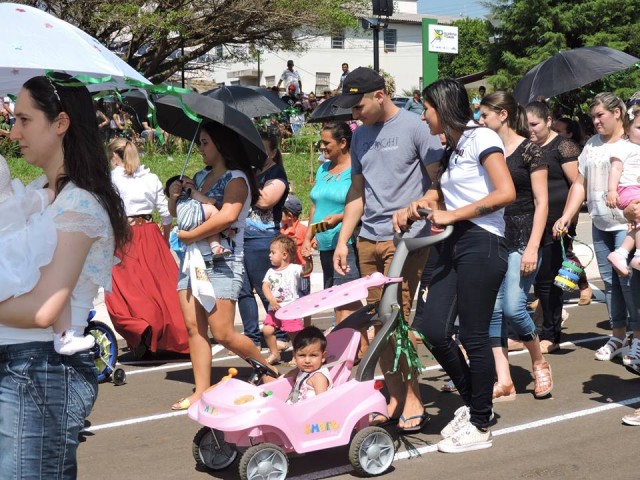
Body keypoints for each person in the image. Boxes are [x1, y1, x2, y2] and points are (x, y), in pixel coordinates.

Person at [0, 72, 130, 477]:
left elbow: (44, 309)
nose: (14, 132)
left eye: (24, 120)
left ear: (60, 123)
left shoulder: (80, 203)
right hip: (23, 365)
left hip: (38, 369)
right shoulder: (41, 192)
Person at [394, 78, 515, 453]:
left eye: (426, 109)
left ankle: (480, 425)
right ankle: (477, 405)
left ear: (443, 108)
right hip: (452, 241)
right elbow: (438, 193)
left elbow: (506, 192)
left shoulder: (482, 138)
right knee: (431, 328)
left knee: (474, 336)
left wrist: (453, 215)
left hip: (482, 240)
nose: (423, 116)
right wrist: (416, 206)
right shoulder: (452, 148)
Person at [332, 67, 444, 433]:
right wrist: (344, 239)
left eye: (359, 106)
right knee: (377, 324)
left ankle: (413, 400)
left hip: (405, 240)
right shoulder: (360, 135)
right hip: (368, 238)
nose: (355, 114)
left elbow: (438, 183)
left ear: (380, 96)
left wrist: (418, 207)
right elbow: (357, 192)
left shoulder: (416, 127)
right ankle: (395, 398)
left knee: (396, 320)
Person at [168, 121, 278, 411]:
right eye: (200, 143)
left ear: (220, 144)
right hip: (192, 259)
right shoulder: (199, 176)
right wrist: (175, 195)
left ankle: (268, 371)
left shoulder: (237, 179)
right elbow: (180, 213)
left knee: (223, 333)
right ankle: (201, 391)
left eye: (205, 142)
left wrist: (190, 235)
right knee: (194, 328)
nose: (201, 148)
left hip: (222, 261)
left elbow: (228, 216)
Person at [478, 92, 552, 402]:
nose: (480, 120)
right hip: (495, 236)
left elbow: (542, 202)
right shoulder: (488, 150)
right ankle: (505, 379)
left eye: (485, 115)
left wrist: (533, 246)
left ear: (503, 115)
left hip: (524, 237)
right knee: (493, 311)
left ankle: (538, 360)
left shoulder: (531, 151)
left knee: (513, 307)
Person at [554, 92, 638, 363]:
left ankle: (636, 338)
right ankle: (618, 335)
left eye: (600, 115)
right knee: (611, 284)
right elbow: (580, 183)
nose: (596, 121)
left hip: (627, 225)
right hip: (600, 222)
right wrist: (567, 215)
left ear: (617, 113)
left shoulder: (632, 142)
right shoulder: (591, 144)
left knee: (629, 284)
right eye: (593, 117)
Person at [0, 154, 95, 355]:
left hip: (7, 266)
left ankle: (64, 336)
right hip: (16, 258)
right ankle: (64, 336)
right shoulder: (16, 204)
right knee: (57, 284)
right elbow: (41, 198)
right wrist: (53, 193)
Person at [106, 138, 189, 358]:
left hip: (124, 235)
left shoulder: (111, 179)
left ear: (114, 156)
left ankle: (141, 327)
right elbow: (166, 214)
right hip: (151, 233)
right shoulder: (150, 178)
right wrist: (164, 238)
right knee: (161, 286)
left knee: (125, 289)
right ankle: (175, 333)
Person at [525, 102, 586, 355]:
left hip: (557, 224)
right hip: (532, 223)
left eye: (534, 124)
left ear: (548, 121)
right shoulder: (528, 148)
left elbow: (577, 184)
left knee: (549, 281)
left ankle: (551, 334)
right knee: (539, 281)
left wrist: (568, 219)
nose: (530, 129)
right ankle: (541, 326)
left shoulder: (563, 146)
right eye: (526, 125)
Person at [302, 122, 362, 325]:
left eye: (326, 143)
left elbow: (362, 204)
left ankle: (353, 339)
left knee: (347, 299)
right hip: (325, 244)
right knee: (335, 297)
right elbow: (315, 206)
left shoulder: (355, 170)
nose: (322, 147)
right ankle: (347, 337)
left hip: (346, 245)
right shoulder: (323, 169)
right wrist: (308, 238)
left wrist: (339, 218)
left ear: (343, 143)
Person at [238, 131, 290, 349]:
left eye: (262, 150)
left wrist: (246, 181)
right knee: (243, 290)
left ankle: (282, 333)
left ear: (273, 152)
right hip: (241, 237)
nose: (256, 154)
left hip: (262, 238)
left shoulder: (277, 174)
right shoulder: (249, 172)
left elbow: (265, 201)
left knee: (265, 288)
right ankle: (252, 336)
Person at [605, 103, 640, 277]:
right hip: (629, 189)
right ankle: (638, 255)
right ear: (627, 128)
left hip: (636, 189)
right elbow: (616, 169)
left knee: (637, 222)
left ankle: (621, 252)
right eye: (639, 128)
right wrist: (612, 190)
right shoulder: (624, 147)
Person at [164, 174, 232, 258]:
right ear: (183, 183)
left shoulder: (177, 201)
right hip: (194, 214)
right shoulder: (190, 190)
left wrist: (172, 197)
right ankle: (225, 230)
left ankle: (216, 247)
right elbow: (207, 201)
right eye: (189, 179)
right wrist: (210, 200)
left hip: (183, 224)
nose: (193, 181)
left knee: (210, 227)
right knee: (212, 211)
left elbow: (173, 213)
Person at [262, 235, 305, 365]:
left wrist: (308, 259)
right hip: (274, 308)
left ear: (284, 255)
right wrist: (271, 300)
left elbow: (307, 271)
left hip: (290, 308)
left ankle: (297, 355)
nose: (269, 255)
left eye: (273, 252)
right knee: (267, 330)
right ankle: (275, 353)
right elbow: (265, 286)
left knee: (294, 333)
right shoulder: (270, 271)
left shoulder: (294, 268)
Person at [285, 326, 332, 404]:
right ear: (294, 356)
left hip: (308, 410)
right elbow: (287, 377)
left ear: (323, 357)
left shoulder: (318, 377)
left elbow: (322, 403)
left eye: (313, 355)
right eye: (302, 355)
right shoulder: (301, 370)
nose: (307, 361)